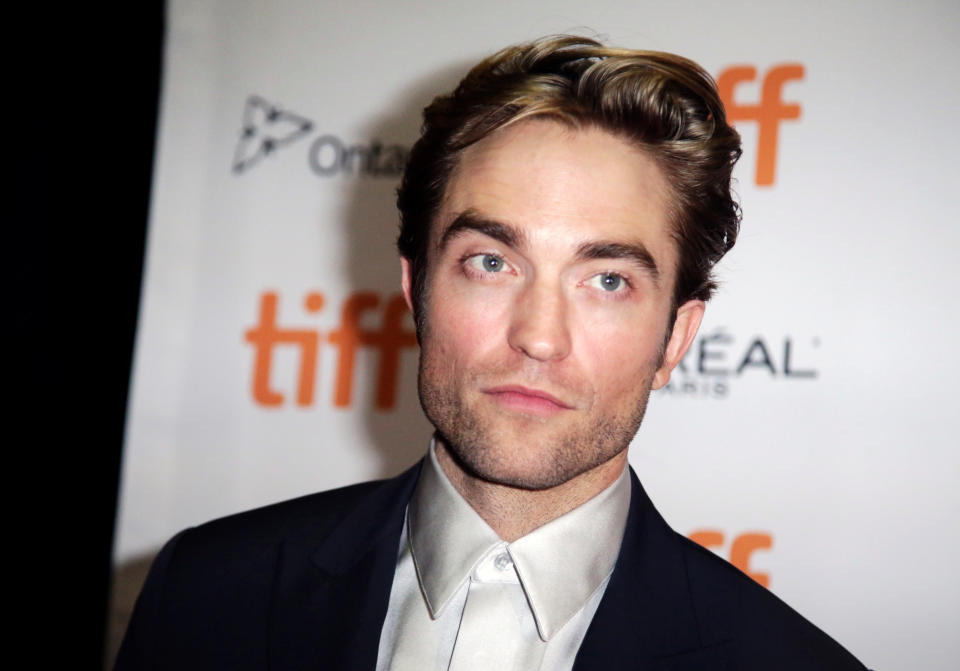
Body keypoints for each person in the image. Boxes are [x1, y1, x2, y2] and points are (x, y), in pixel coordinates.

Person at [117, 36, 868, 670]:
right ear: (415, 289)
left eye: (607, 280)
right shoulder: (206, 595)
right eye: (491, 262)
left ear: (675, 338)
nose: (539, 336)